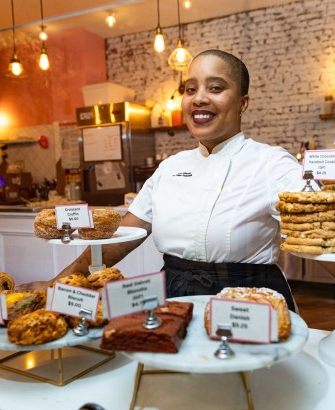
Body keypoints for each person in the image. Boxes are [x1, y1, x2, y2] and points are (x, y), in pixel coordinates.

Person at [28, 49, 304, 311]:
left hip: (247, 303)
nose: (198, 98)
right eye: (190, 89)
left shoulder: (272, 163)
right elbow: (120, 240)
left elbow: (324, 228)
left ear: (243, 102)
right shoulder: (170, 167)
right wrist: (58, 283)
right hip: (172, 296)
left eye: (216, 88)